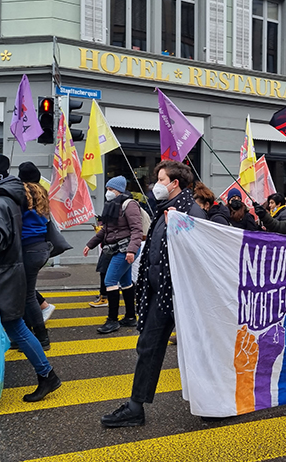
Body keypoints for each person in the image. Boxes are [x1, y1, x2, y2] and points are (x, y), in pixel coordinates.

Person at [100, 160, 206, 428]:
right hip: (161, 293)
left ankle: (211, 403)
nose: (155, 185)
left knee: (198, 349)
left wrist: (180, 228)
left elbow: (198, 254)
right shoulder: (166, 210)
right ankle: (136, 407)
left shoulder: (189, 213)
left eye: (160, 180)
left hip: (178, 294)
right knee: (149, 347)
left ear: (174, 184)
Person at [0, 154, 60, 402]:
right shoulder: (5, 200)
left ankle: (47, 374)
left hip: (4, 275)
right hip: (3, 273)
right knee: (4, 327)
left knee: (16, 328)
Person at [83, 176, 143, 334]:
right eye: (107, 189)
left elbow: (137, 230)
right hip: (117, 249)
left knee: (110, 280)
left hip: (125, 250)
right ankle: (130, 317)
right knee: (126, 281)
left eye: (111, 190)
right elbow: (105, 230)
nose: (108, 192)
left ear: (119, 190)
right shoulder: (112, 205)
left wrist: (132, 250)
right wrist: (90, 244)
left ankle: (112, 320)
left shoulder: (129, 205)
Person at [17, 161, 54, 350]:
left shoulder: (22, 193)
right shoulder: (41, 192)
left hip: (28, 248)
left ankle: (41, 337)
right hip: (41, 247)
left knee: (28, 294)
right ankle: (24, 335)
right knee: (23, 292)